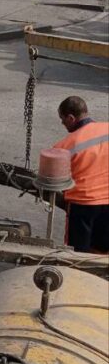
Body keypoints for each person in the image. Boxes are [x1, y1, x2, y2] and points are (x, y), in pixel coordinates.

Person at [52, 96, 109, 253]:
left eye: (63, 120)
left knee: (77, 252)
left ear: (71, 118)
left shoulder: (64, 146)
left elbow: (53, 179)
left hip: (83, 205)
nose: (62, 124)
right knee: (103, 250)